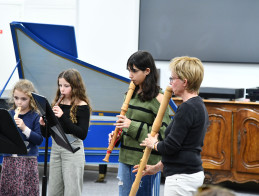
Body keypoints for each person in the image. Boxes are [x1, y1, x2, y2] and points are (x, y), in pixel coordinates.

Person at [134, 56, 209, 196]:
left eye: (173, 79)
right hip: (190, 174)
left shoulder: (187, 108)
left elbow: (171, 146)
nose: (170, 83)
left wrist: (154, 143)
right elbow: (183, 149)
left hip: (181, 179)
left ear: (184, 82)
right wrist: (156, 168)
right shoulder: (199, 105)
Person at [109, 50, 171, 196]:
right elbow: (126, 127)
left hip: (145, 161)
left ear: (147, 71)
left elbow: (162, 134)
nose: (130, 75)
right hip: (125, 157)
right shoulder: (130, 94)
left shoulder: (159, 99)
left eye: (134, 71)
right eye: (129, 70)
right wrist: (117, 136)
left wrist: (131, 125)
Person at [39, 68, 91, 196]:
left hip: (73, 150)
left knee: (72, 191)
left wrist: (62, 117)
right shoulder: (58, 103)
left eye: (66, 86)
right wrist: (43, 125)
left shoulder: (82, 106)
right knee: (54, 191)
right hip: (57, 148)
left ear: (75, 86)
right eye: (60, 85)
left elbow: (82, 134)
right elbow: (47, 135)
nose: (62, 89)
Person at [0, 79, 43, 195]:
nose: (19, 102)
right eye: (16, 98)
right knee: (10, 191)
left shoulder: (35, 116)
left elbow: (39, 140)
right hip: (9, 160)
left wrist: (24, 128)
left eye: (24, 99)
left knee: (26, 191)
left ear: (31, 99)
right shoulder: (9, 114)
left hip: (28, 160)